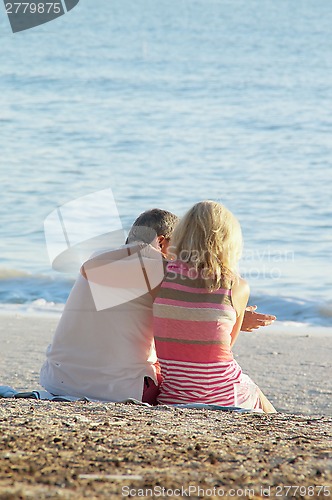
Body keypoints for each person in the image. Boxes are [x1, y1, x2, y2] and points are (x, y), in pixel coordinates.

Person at [40, 208, 275, 404]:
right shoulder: (158, 268)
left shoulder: (104, 258)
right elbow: (202, 308)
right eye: (179, 245)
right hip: (116, 389)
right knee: (178, 372)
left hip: (57, 378)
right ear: (162, 242)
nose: (181, 256)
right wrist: (236, 316)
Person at [153, 201, 276, 412]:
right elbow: (224, 350)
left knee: (249, 387)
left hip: (173, 396)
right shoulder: (236, 286)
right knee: (252, 390)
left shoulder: (158, 274)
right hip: (226, 397)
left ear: (183, 233)